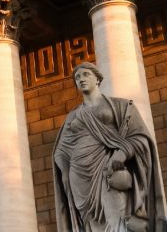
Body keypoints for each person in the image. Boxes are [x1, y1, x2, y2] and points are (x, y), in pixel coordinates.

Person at [53, 62, 165, 231]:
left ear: (97, 79)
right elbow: (61, 150)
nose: (81, 79)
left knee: (116, 217)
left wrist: (122, 154)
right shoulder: (73, 116)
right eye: (77, 77)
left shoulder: (120, 106)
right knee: (90, 224)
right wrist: (65, 170)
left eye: (85, 75)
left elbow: (139, 137)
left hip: (108, 168)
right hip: (79, 175)